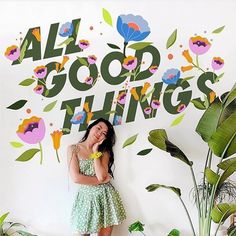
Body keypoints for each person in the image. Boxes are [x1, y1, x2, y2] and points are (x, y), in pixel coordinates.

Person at [68, 118, 126, 236]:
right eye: (98, 128)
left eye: (104, 133)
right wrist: (102, 180)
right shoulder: (73, 149)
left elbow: (101, 175)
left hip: (105, 197)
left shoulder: (104, 152)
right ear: (90, 127)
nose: (100, 133)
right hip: (85, 199)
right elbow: (76, 178)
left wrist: (95, 152)